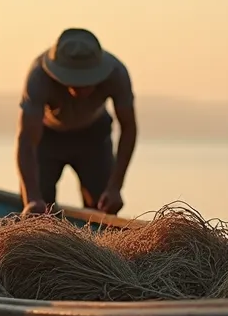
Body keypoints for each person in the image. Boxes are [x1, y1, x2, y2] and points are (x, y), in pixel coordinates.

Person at [16, 28, 137, 216]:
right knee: (38, 210)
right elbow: (26, 140)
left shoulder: (117, 74)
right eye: (73, 82)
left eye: (87, 82)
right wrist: (31, 198)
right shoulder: (39, 77)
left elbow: (128, 128)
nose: (80, 89)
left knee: (103, 207)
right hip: (47, 138)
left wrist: (115, 186)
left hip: (93, 137)